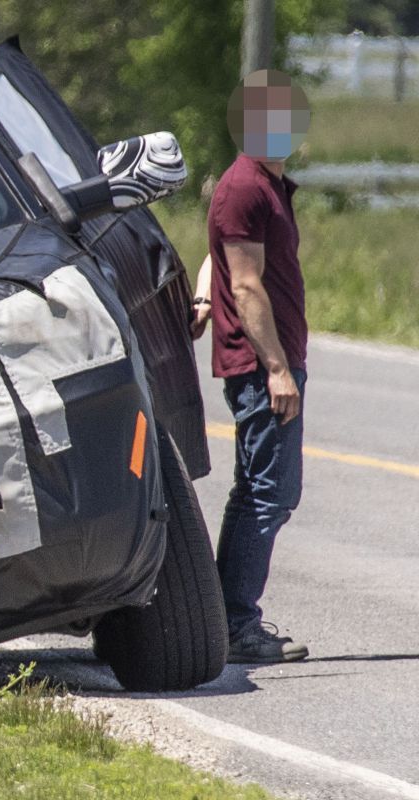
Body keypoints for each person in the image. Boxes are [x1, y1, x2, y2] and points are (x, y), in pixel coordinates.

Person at [206, 69, 311, 664]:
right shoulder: (244, 186)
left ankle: (226, 617)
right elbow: (245, 284)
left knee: (258, 491)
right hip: (260, 366)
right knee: (271, 494)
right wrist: (276, 367)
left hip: (271, 360)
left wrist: (202, 294)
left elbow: (218, 257)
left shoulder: (261, 187)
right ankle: (235, 623)